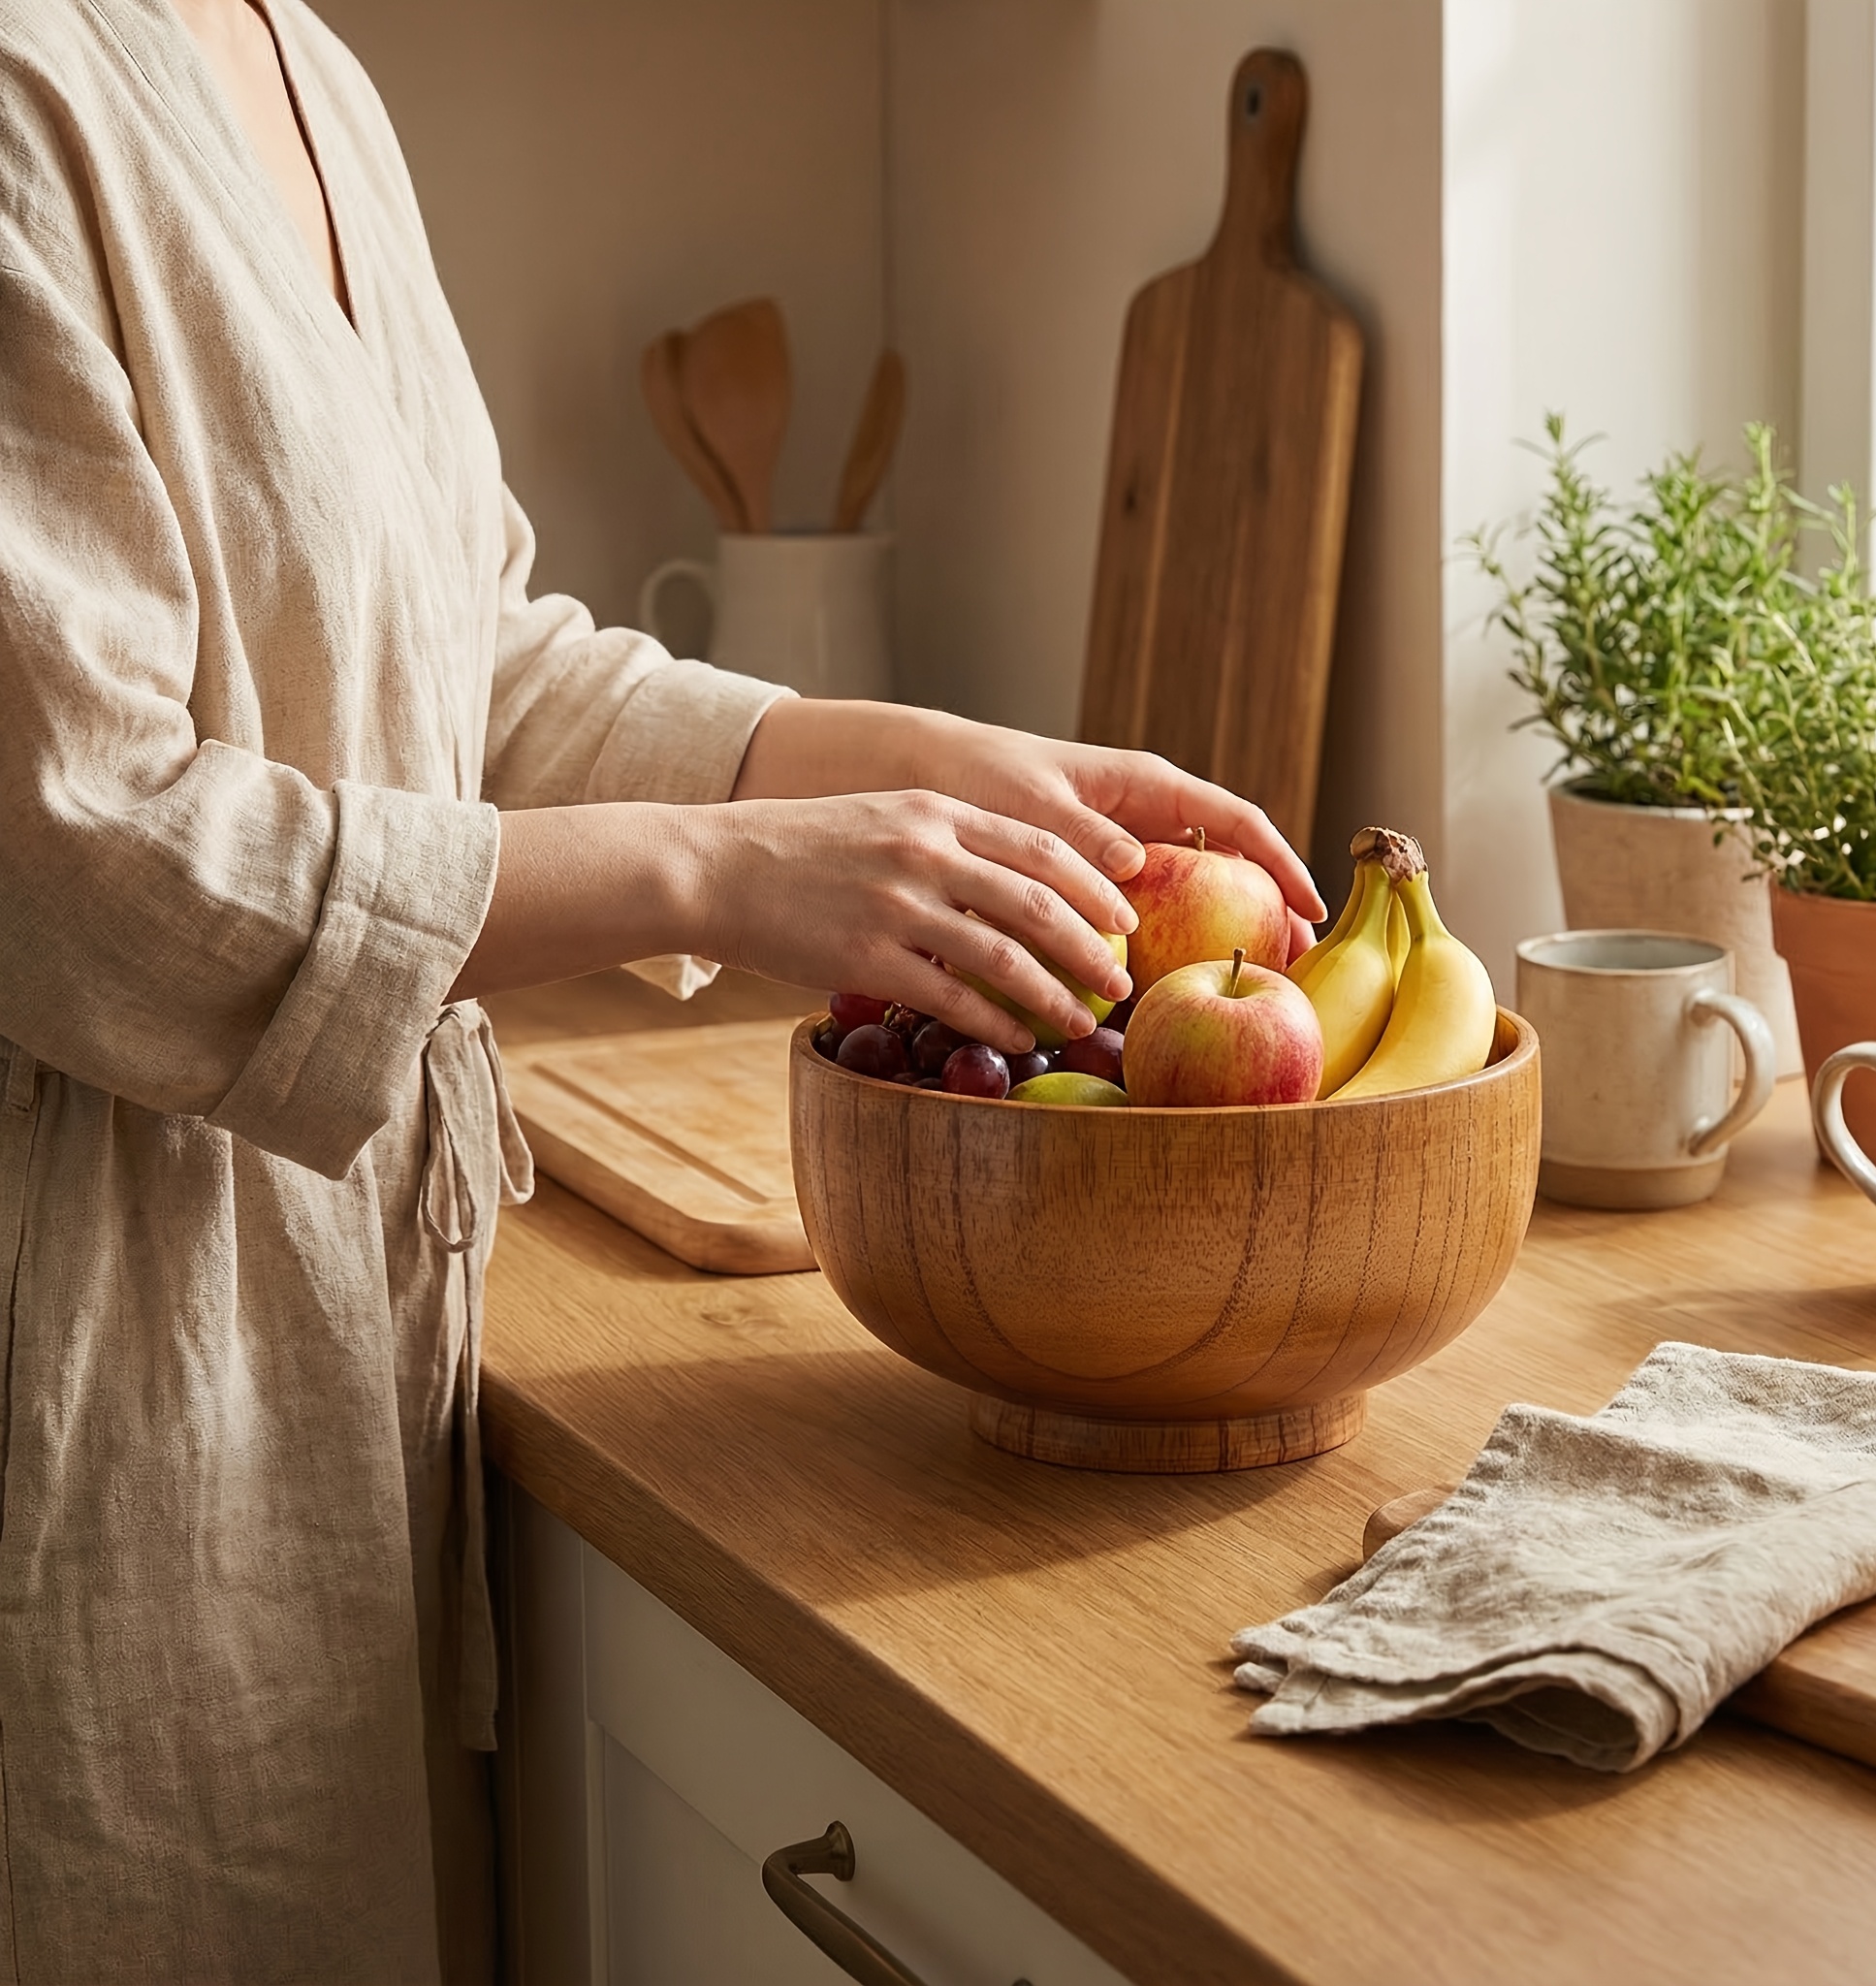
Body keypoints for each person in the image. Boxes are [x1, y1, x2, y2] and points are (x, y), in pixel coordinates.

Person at [0, 2, 1322, 1979]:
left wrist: (879, 760)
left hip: (333, 1347)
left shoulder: (306, 69)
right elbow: (84, 851)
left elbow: (471, 666)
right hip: (101, 1364)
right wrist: (722, 871)